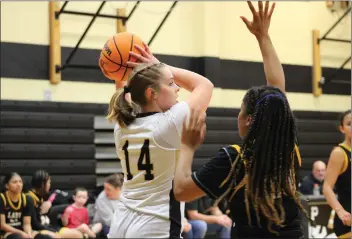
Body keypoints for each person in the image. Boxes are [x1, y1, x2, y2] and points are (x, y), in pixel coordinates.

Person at [173, 2, 307, 238]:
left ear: (248, 120)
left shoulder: (234, 159)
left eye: (240, 110)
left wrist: (186, 146)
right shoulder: (287, 148)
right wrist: (263, 37)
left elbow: (182, 191)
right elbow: (276, 93)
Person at [106, 40, 213, 239]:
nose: (177, 88)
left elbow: (123, 92)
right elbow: (204, 85)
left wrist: (127, 73)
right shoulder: (168, 124)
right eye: (171, 83)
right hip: (155, 223)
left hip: (121, 221)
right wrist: (159, 65)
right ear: (151, 93)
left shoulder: (122, 125)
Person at [27, 170, 83, 239]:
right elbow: (34, 223)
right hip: (38, 229)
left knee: (78, 235)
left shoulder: (43, 194)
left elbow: (59, 195)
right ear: (42, 184)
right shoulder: (30, 198)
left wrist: (50, 202)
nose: (50, 185)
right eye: (49, 182)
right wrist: (51, 230)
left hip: (49, 226)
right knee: (56, 237)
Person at [323, 110, 351, 239]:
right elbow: (327, 187)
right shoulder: (340, 153)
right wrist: (340, 211)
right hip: (347, 221)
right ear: (342, 128)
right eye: (349, 123)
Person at [0, 172, 33, 239]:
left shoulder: (26, 199)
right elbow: (2, 225)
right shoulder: (2, 198)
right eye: (14, 182)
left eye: (20, 182)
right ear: (7, 185)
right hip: (6, 233)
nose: (18, 184)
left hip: (21, 231)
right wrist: (21, 233)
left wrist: (29, 235)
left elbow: (27, 224)